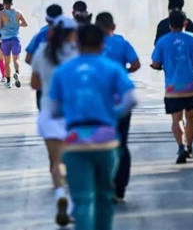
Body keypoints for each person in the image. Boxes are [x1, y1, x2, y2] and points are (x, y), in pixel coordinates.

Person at [49, 24, 138, 230]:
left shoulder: (64, 71)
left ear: (77, 43)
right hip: (106, 140)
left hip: (75, 141)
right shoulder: (112, 68)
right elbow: (131, 99)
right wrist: (113, 115)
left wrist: (69, 113)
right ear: (102, 44)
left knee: (82, 199)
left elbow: (52, 109)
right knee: (105, 196)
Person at [31, 16, 79, 227]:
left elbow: (34, 83)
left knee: (56, 161)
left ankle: (61, 194)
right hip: (74, 113)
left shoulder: (42, 52)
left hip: (49, 113)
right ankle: (73, 204)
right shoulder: (77, 53)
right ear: (72, 33)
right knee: (75, 162)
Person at [151, 9, 193, 164]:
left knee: (176, 119)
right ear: (185, 23)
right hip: (191, 85)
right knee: (190, 117)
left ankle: (181, 146)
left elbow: (156, 63)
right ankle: (190, 147)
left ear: (170, 25)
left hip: (173, 87)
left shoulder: (163, 42)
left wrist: (158, 66)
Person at [95, 12, 141, 203]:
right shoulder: (122, 44)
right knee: (121, 143)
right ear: (113, 26)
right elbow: (137, 63)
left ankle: (103, 184)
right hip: (121, 102)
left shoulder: (91, 45)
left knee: (98, 143)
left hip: (98, 105)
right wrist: (123, 71)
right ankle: (120, 187)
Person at [25, 4, 63, 109]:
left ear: (46, 19)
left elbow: (28, 58)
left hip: (44, 88)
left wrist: (42, 66)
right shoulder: (71, 35)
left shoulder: (40, 35)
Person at [0, 0, 28, 89]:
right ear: (12, 3)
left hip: (5, 40)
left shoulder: (0, 14)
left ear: (3, 3)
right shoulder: (18, 13)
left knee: (7, 62)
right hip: (16, 39)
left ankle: (9, 82)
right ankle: (17, 73)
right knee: (16, 59)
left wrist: (2, 26)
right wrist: (17, 24)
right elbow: (25, 24)